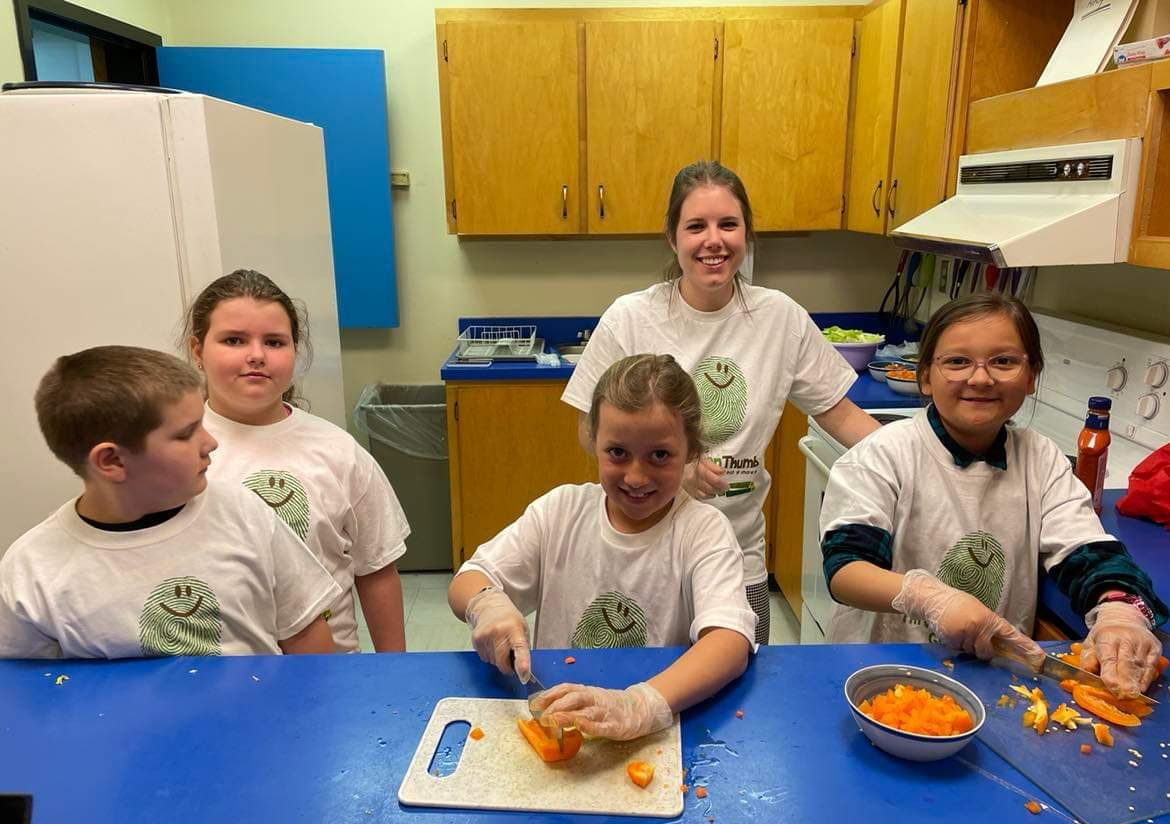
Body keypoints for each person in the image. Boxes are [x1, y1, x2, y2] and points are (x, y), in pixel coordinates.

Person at [562, 160, 879, 645]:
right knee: (639, 696)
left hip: (737, 556)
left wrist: (922, 461)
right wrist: (667, 466)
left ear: (746, 233)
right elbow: (590, 428)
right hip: (645, 551)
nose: (714, 240)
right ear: (673, 237)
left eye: (728, 224)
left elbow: (840, 415)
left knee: (738, 696)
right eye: (696, 226)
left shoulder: (780, 319)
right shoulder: (631, 318)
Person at [820, 293, 1166, 697]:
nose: (980, 378)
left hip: (993, 675)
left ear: (1031, 374)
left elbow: (1086, 551)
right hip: (881, 673)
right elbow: (846, 570)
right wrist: (930, 598)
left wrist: (1120, 611)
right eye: (957, 361)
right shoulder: (882, 456)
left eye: (1003, 361)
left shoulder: (1040, 458)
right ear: (926, 377)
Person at [448, 354, 757, 741]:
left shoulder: (703, 531)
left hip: (659, 727)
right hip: (555, 714)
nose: (636, 475)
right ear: (593, 440)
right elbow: (468, 580)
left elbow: (729, 642)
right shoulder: (559, 512)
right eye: (617, 453)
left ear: (692, 451)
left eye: (660, 455)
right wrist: (487, 604)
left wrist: (640, 705)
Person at [0, 346, 340, 658]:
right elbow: (28, 692)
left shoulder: (246, 514)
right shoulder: (32, 571)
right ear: (112, 462)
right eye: (185, 433)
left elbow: (308, 640)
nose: (210, 443)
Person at [184, 269, 410, 653]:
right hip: (215, 675)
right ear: (198, 351)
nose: (256, 355)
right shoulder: (169, 450)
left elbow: (376, 570)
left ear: (295, 351)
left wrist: (397, 669)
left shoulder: (337, 450)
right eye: (234, 340)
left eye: (274, 342)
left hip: (328, 675)